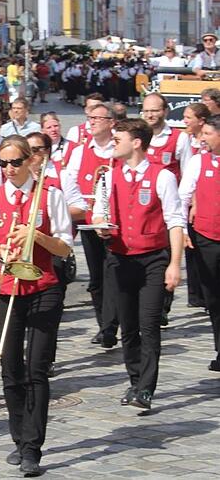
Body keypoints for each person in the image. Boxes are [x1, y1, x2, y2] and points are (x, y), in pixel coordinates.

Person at [0, 137, 73, 477]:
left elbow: (64, 248)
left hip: (43, 285)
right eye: (2, 163)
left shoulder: (50, 195)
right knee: (10, 370)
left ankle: (33, 447)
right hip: (5, 287)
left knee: (36, 370)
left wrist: (36, 236)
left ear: (31, 160)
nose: (9, 169)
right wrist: (3, 253)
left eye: (15, 162)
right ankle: (19, 439)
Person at [93, 119, 184, 410]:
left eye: (118, 138)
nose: (112, 142)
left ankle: (146, 387)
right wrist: (100, 227)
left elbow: (175, 221)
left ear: (136, 142)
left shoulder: (162, 176)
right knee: (129, 326)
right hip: (120, 259)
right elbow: (98, 214)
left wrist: (175, 265)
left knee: (149, 325)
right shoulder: (109, 175)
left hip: (153, 259)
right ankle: (134, 379)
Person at [65, 102, 118, 347]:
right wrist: (81, 208)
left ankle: (113, 323)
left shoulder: (120, 148)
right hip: (89, 223)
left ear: (111, 122)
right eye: (90, 118)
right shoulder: (80, 150)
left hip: (117, 224)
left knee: (116, 274)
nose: (92, 121)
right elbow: (71, 183)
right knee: (97, 276)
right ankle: (104, 325)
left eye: (98, 118)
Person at [179, 115, 220, 371]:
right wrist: (182, 229)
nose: (202, 138)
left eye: (207, 133)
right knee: (214, 298)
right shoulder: (198, 161)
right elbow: (183, 197)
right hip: (207, 237)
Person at [140, 93, 192, 180]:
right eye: (146, 111)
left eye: (155, 111)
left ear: (166, 111)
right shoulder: (137, 136)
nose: (149, 115)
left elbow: (187, 174)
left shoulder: (180, 137)